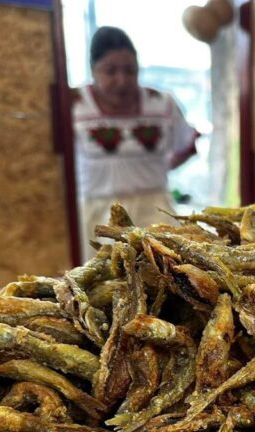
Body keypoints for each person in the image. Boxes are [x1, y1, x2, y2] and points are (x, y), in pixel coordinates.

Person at [73, 26, 199, 259]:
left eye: (130, 71)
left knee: (165, 276)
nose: (122, 80)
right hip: (97, 214)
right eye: (110, 71)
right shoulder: (75, 105)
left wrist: (158, 168)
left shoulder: (162, 104)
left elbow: (187, 146)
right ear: (93, 69)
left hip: (155, 210)